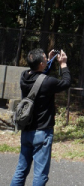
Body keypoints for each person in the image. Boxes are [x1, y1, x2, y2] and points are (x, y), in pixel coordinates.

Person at [10, 48, 71, 186]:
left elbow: (40, 80)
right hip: (42, 133)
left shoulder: (24, 76)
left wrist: (48, 61)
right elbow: (66, 82)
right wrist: (63, 65)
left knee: (21, 169)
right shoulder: (48, 82)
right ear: (41, 64)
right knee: (40, 174)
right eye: (44, 58)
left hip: (26, 131)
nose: (46, 58)